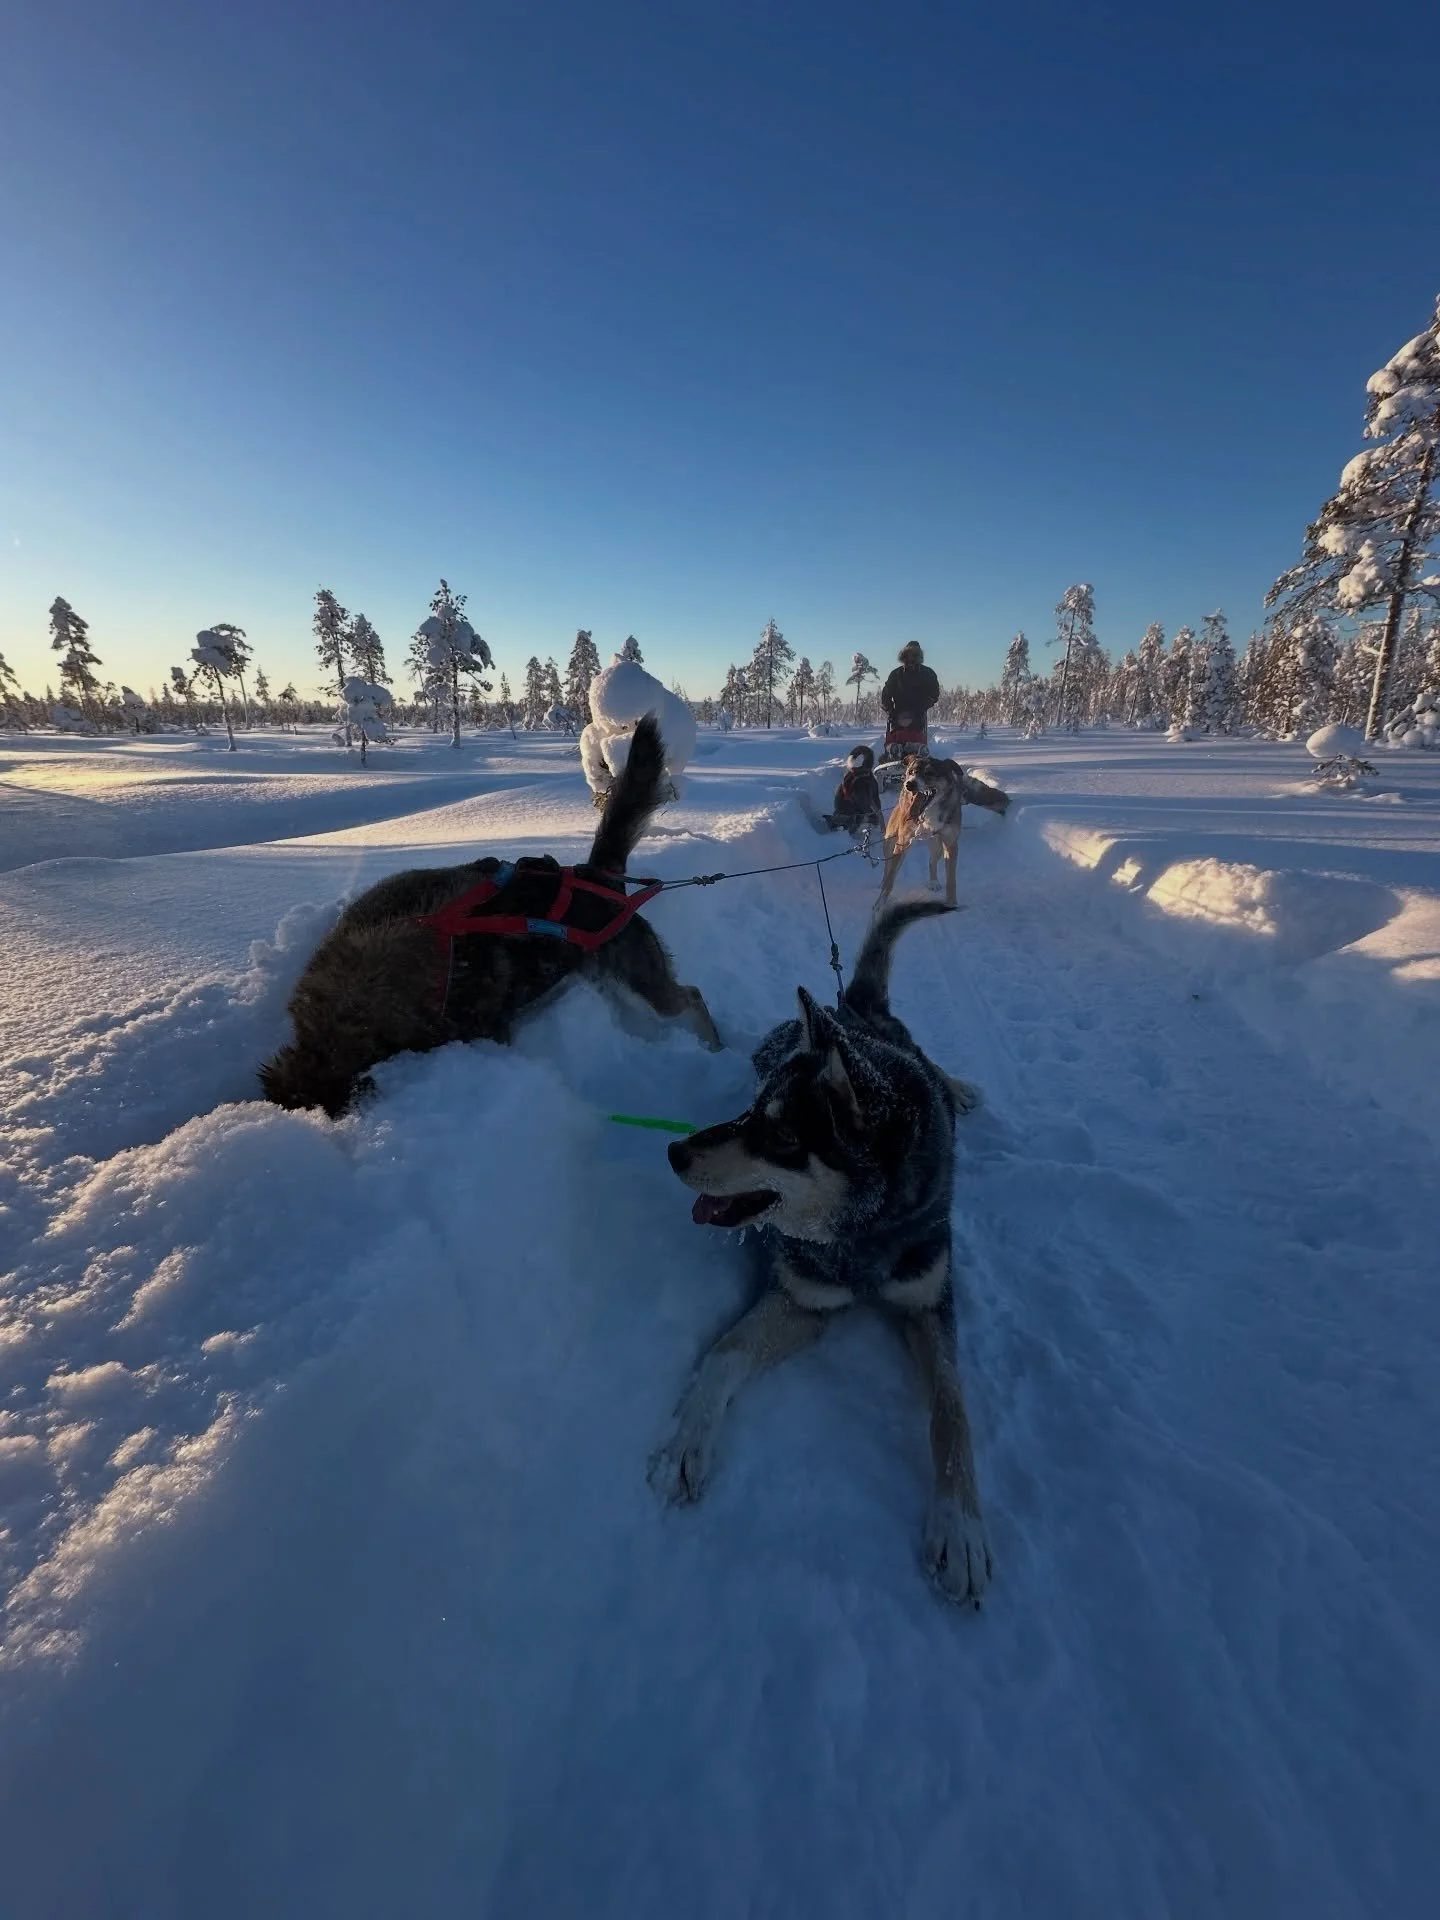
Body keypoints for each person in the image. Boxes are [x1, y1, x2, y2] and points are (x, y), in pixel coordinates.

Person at [880, 642, 940, 739]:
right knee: (896, 744)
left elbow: (934, 693)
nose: (912, 656)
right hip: (898, 716)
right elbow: (886, 694)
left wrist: (925, 705)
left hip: (918, 716)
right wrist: (891, 711)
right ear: (905, 654)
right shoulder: (896, 674)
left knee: (918, 745)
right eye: (910, 653)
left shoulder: (928, 673)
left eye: (915, 653)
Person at [823, 743, 882, 836]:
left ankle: (843, 823)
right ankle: (845, 826)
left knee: (867, 812)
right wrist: (874, 817)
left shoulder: (850, 779)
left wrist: (875, 815)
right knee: (864, 815)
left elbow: (870, 808)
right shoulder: (865, 782)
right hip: (852, 806)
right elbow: (868, 806)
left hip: (847, 804)